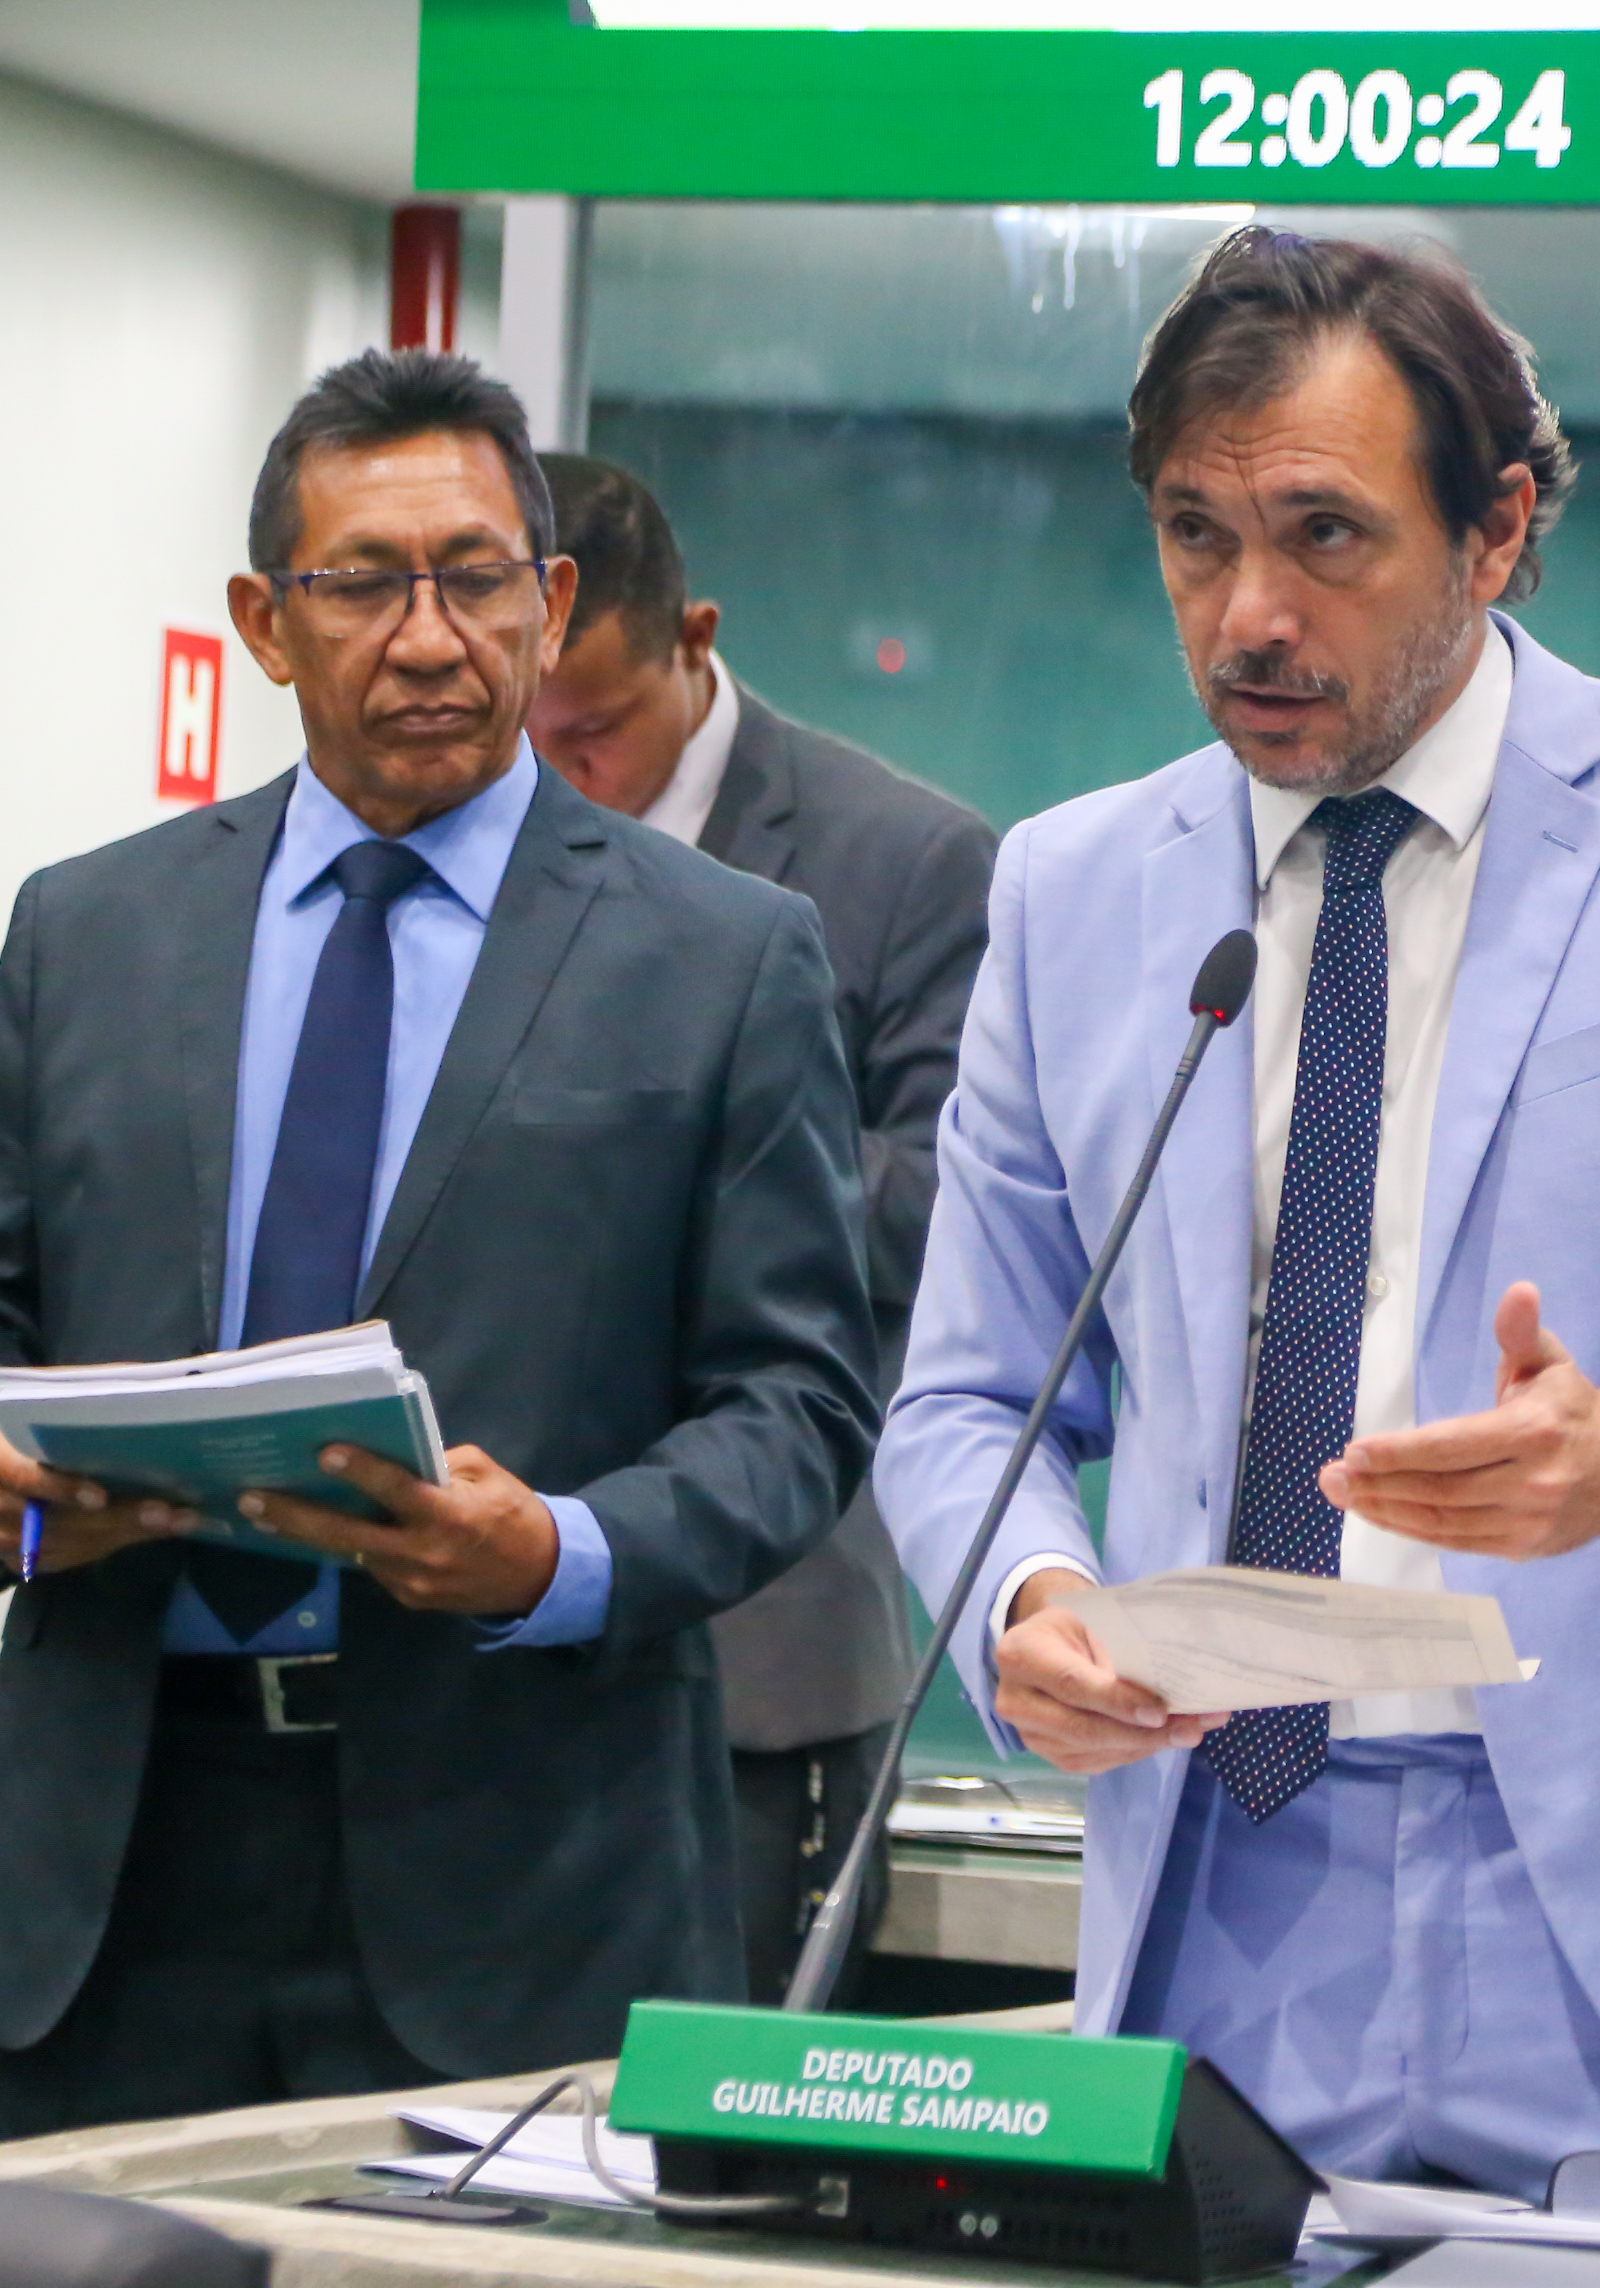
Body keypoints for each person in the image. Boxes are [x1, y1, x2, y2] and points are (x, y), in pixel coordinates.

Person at [877, 227, 1600, 2220]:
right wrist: (1033, 1604)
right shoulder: (1070, 890)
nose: (1248, 615)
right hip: (1222, 1893)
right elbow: (970, 1397)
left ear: (1495, 530)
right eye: (1195, 534)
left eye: (1324, 534)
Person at [0, 350, 878, 2142]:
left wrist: (559, 1549)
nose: (430, 638)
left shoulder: (724, 957)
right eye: (363, 585)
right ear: (267, 623)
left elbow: (796, 1402)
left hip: (526, 1873)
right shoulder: (89, 932)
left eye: (476, 577)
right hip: (113, 1871)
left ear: (549, 602)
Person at [530, 451, 998, 2006]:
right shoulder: (469, 850)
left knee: (717, 2123)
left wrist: (673, 1154)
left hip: (764, 1653)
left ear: (697, 639)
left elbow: (951, 1206)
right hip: (486, 1643)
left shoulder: (902, 860)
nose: (562, 773)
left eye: (595, 730)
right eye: (529, 735)